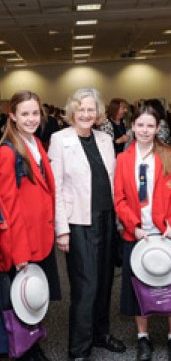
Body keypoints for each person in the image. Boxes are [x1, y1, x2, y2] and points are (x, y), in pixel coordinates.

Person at [48, 88, 125, 361]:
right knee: (86, 286)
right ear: (72, 112)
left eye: (91, 109)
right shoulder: (59, 140)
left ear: (98, 112)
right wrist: (62, 229)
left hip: (106, 219)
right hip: (79, 222)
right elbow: (55, 188)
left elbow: (113, 182)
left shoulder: (105, 138)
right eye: (81, 109)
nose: (86, 114)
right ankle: (79, 348)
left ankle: (100, 334)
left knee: (105, 282)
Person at [114, 104, 171, 361]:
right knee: (138, 289)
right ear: (132, 126)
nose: (145, 130)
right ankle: (143, 337)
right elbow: (119, 199)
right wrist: (132, 226)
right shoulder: (123, 159)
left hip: (167, 234)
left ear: (158, 128)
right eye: (140, 125)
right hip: (137, 235)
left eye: (150, 125)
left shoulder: (170, 154)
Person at [0, 90, 61, 361]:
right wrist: (19, 253)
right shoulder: (7, 151)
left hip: (40, 238)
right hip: (21, 244)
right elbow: (8, 208)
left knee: (34, 297)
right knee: (20, 301)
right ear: (13, 116)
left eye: (35, 113)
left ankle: (33, 344)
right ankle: (24, 351)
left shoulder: (35, 143)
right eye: (24, 114)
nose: (31, 118)